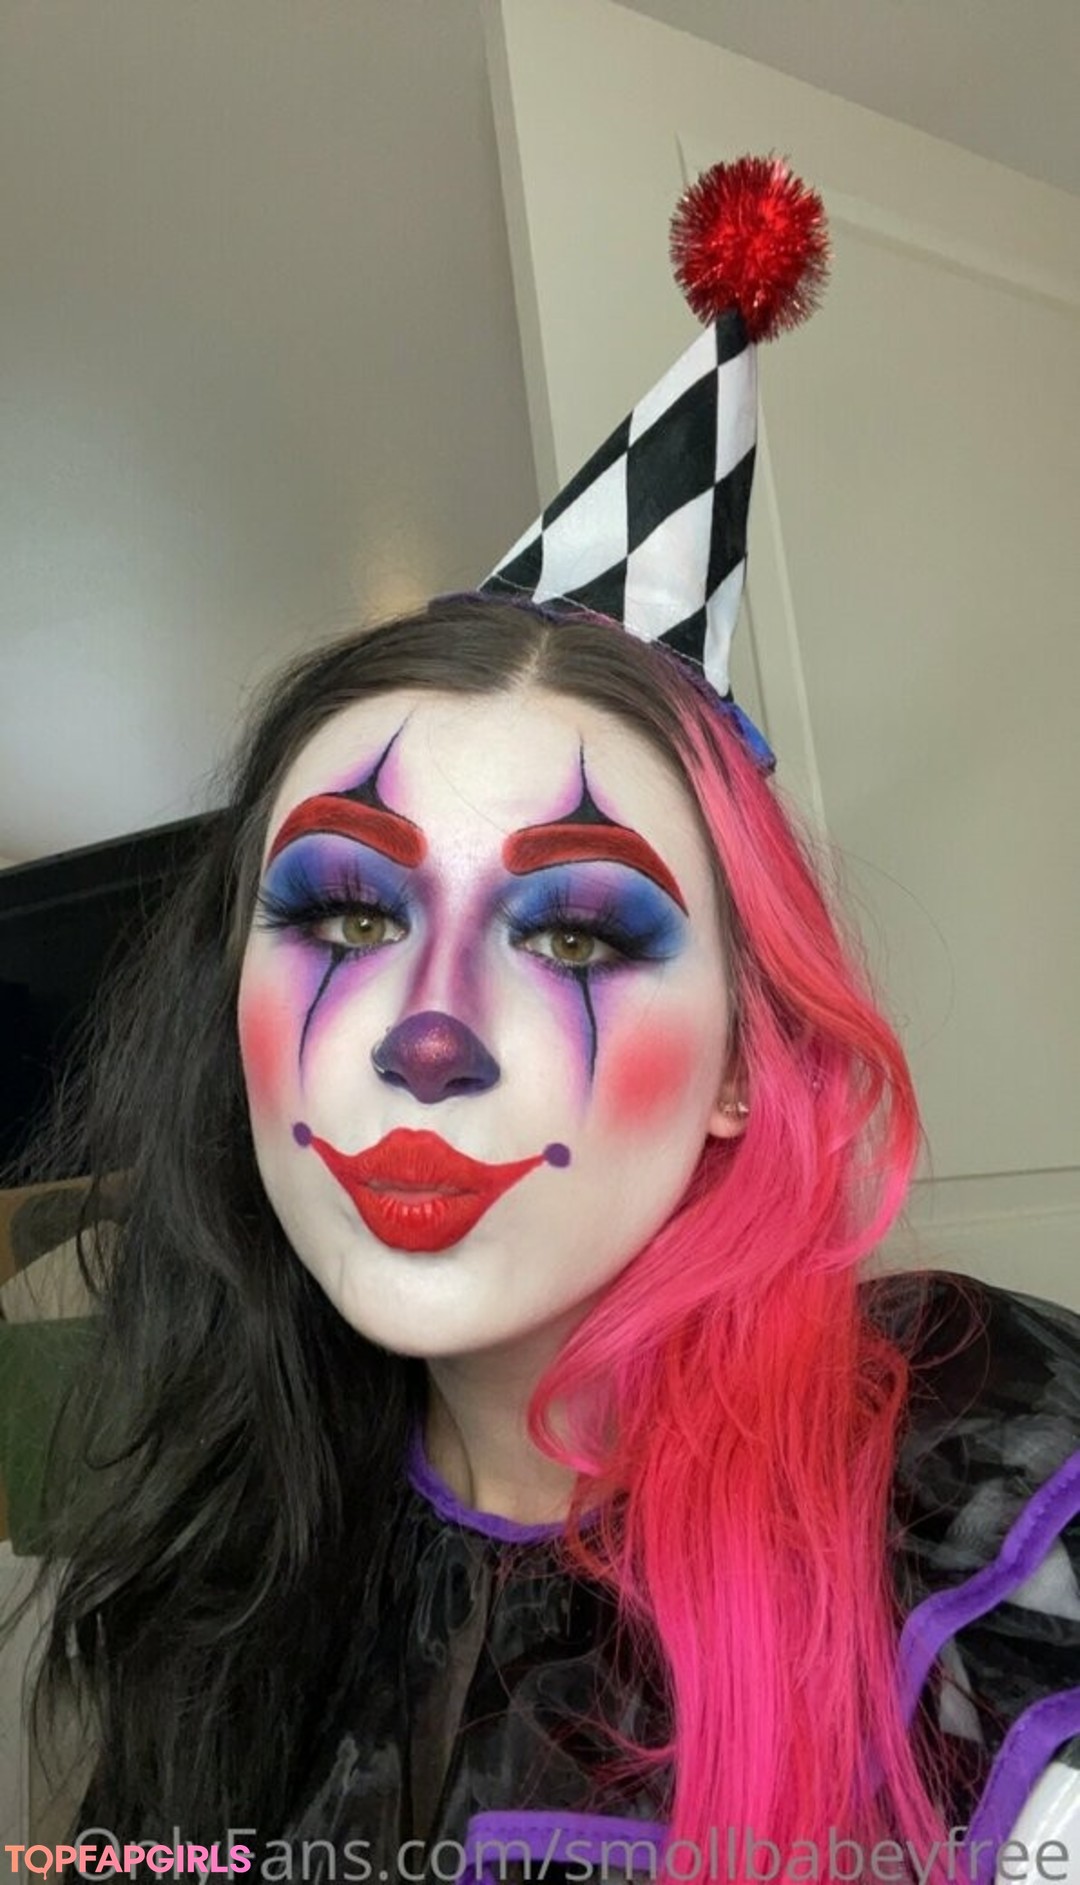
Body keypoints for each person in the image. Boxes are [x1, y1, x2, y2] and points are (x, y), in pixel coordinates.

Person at [12, 157, 1080, 1882]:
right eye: (348, 911)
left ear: (740, 1059)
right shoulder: (229, 1531)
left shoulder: (974, 1497)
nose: (426, 1033)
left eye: (577, 932)